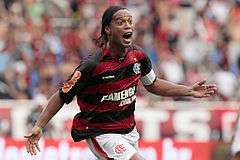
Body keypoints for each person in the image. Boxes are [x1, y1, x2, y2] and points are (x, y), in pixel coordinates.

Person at [25, 6, 217, 160]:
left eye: (129, 22)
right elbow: (62, 95)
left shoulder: (138, 56)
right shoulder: (93, 65)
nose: (128, 26)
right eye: (121, 22)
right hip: (101, 133)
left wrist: (188, 91)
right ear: (108, 29)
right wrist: (39, 125)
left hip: (129, 131)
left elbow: (153, 84)